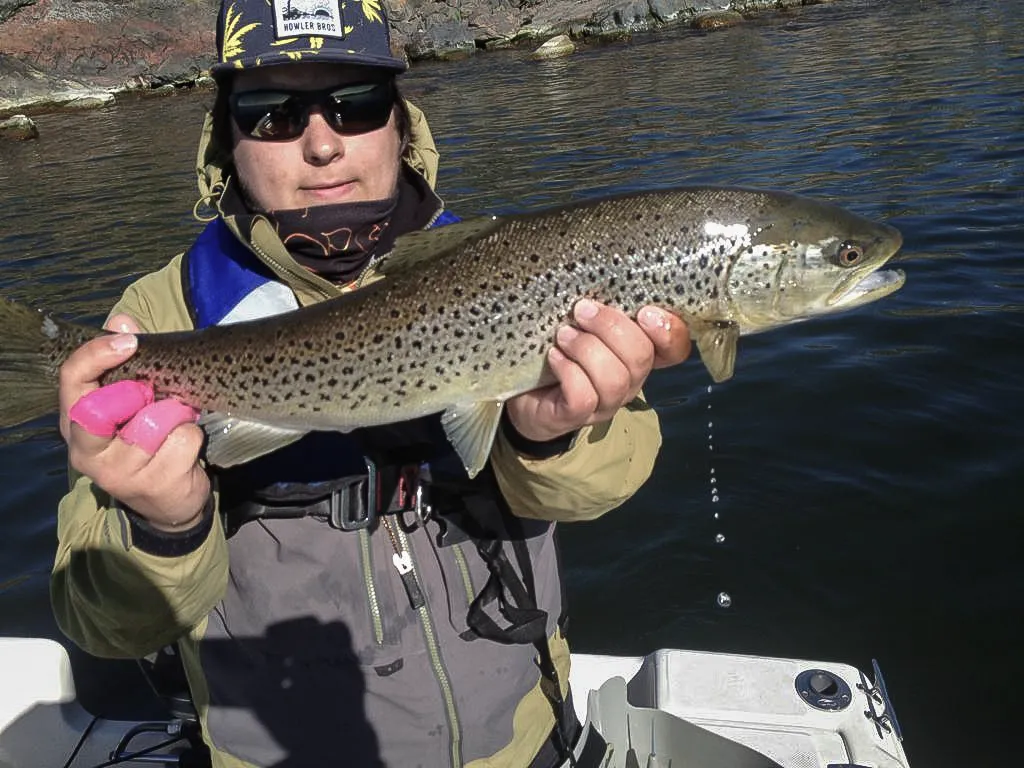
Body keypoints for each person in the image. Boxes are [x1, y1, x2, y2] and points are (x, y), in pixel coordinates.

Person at [50, 0, 691, 765]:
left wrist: (546, 436)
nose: (322, 144)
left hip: (522, 745)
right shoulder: (158, 322)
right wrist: (164, 526)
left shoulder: (515, 267)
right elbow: (106, 626)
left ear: (401, 123)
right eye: (272, 113)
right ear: (226, 137)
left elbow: (600, 490)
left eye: (355, 105)